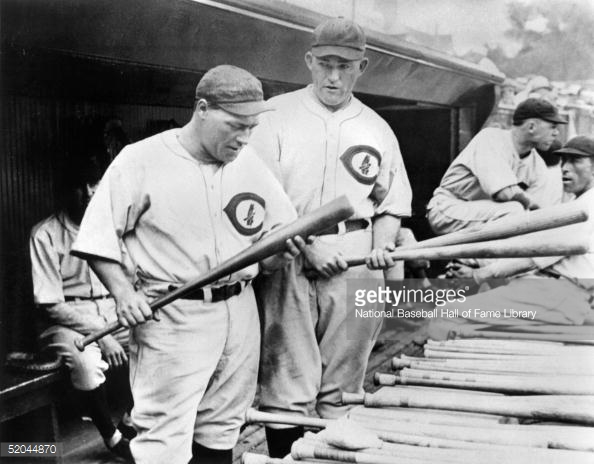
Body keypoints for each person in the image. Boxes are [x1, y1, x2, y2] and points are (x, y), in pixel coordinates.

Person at [71, 65, 306, 464]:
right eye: (236, 125)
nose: (245, 137)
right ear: (202, 109)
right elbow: (97, 237)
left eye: (251, 127)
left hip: (239, 309)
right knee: (163, 440)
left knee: (222, 429)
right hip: (174, 313)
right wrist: (123, 293)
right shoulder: (140, 159)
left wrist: (281, 253)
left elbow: (271, 244)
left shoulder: (248, 162)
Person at [248, 17, 412, 457]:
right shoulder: (275, 116)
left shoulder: (376, 127)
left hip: (356, 255)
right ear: (309, 60)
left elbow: (392, 203)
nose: (334, 76)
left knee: (344, 386)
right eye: (325, 64)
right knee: (287, 382)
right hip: (288, 250)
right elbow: (259, 196)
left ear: (363, 66)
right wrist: (308, 244)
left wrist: (382, 246)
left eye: (345, 65)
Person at [430, 135, 594, 337]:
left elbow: (534, 256)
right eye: (564, 160)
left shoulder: (585, 207)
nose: (565, 168)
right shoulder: (580, 203)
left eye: (575, 161)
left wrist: (478, 274)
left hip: (556, 294)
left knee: (445, 315)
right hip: (554, 292)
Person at [29, 154, 134, 461]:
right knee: (86, 363)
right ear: (67, 190)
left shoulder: (112, 228)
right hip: (67, 320)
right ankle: (112, 438)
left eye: (95, 183)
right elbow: (51, 305)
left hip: (113, 311)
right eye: (80, 185)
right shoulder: (45, 234)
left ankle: (130, 422)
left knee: (160, 339)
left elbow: (131, 280)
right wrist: (103, 335)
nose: (88, 192)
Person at [427, 98, 567, 236]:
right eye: (552, 127)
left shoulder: (538, 166)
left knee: (526, 221)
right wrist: (533, 205)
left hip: (486, 215)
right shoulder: (491, 138)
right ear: (531, 126)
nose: (556, 133)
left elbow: (537, 214)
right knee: (515, 211)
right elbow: (504, 193)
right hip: (449, 208)